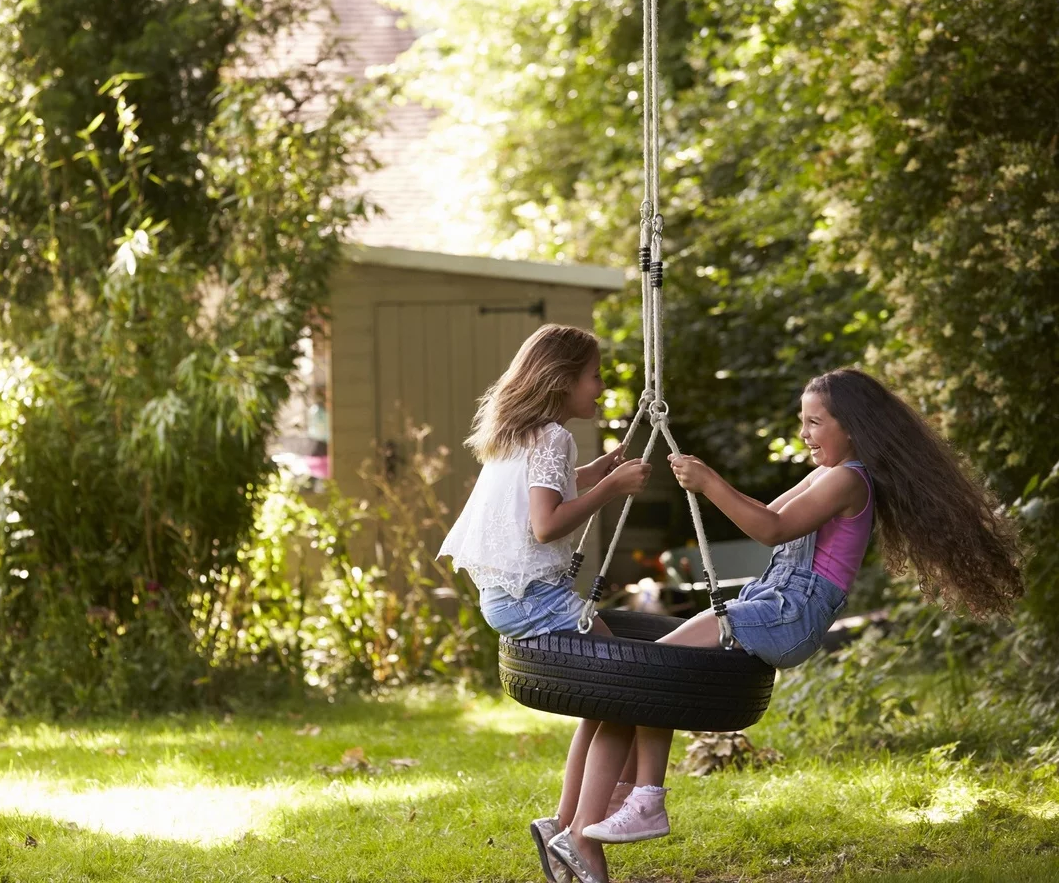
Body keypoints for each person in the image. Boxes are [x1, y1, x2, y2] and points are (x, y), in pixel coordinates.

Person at [545, 368, 1023, 883]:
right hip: (772, 602)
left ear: (853, 427)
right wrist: (712, 485)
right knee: (652, 672)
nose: (804, 434)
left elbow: (772, 530)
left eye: (815, 422)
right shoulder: (826, 474)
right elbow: (767, 512)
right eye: (802, 422)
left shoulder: (848, 479)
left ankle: (642, 800)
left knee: (655, 669)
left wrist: (709, 483)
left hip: (791, 614)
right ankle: (592, 819)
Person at [437, 323, 652, 883]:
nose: (601, 388)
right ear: (562, 379)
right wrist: (610, 490)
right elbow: (545, 522)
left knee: (604, 704)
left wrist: (598, 470)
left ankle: (562, 823)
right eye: (595, 376)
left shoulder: (524, 433)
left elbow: (549, 489)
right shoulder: (552, 435)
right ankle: (583, 834)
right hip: (536, 597)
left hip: (508, 597)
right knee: (629, 692)